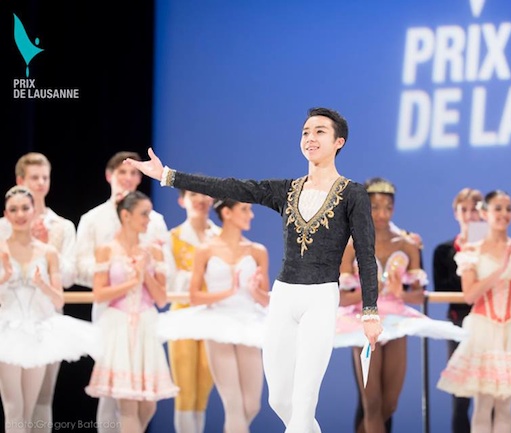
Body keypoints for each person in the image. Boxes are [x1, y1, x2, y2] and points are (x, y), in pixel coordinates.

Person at [124, 107, 382, 433]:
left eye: (319, 132)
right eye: (305, 132)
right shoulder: (287, 190)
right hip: (284, 296)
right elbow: (232, 188)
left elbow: (366, 255)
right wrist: (168, 175)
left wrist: (370, 311)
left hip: (320, 297)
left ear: (338, 141)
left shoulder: (353, 194)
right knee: (279, 400)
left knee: (304, 403)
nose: (310, 138)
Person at [336, 177, 466, 433]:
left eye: (388, 207)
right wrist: (366, 290)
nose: (382, 214)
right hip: (364, 322)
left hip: (397, 321)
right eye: (375, 207)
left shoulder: (407, 243)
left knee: (390, 403)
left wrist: (399, 292)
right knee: (371, 403)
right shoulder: (350, 245)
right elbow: (340, 298)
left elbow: (419, 295)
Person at [75, 151, 173, 433]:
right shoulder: (93, 219)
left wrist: (146, 270)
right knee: (115, 392)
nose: (129, 178)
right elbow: (81, 266)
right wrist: (114, 269)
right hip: (112, 313)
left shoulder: (154, 220)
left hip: (145, 316)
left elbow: (164, 271)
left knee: (145, 398)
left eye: (134, 173)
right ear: (110, 176)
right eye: (123, 172)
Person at [437, 190, 511, 433]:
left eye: (508, 209)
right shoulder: (472, 251)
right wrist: (501, 269)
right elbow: (470, 295)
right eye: (498, 208)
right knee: (483, 404)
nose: (504, 214)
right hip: (483, 328)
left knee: (505, 406)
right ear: (485, 213)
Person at [158, 198, 270, 433]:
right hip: (217, 322)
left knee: (252, 405)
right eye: (245, 209)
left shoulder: (258, 251)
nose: (251, 215)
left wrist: (255, 290)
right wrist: (226, 292)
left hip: (248, 323)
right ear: (227, 213)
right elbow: (194, 295)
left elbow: (265, 300)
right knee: (234, 405)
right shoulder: (206, 250)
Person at [0, 186, 96, 433]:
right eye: (14, 209)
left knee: (30, 409)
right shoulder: (1, 249)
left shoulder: (48, 252)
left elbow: (59, 301)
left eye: (24, 208)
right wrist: (3, 278)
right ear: (6, 214)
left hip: (38, 332)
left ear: (34, 212)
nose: (20, 214)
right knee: (13, 408)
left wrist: (42, 284)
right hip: (7, 331)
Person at [164, 189, 220, 433]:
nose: (200, 200)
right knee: (185, 390)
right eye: (193, 195)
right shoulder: (172, 237)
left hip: (213, 315)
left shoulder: (220, 237)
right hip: (183, 315)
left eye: (204, 195)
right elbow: (170, 281)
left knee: (204, 391)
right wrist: (201, 277)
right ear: (181, 200)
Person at [432, 187, 483, 433]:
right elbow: (443, 290)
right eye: (464, 209)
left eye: (475, 209)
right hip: (458, 323)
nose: (469, 215)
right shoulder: (443, 251)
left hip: (489, 320)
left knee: (490, 393)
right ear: (455, 213)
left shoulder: (493, 247)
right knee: (460, 396)